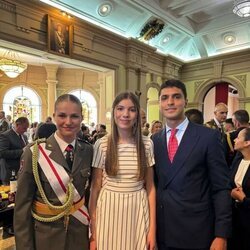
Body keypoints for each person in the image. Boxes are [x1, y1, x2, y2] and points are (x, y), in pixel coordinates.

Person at [152, 79, 231, 250]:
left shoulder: (208, 137)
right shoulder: (154, 141)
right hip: (163, 231)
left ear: (186, 101)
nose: (170, 102)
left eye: (176, 97)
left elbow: (221, 188)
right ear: (159, 103)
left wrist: (221, 234)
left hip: (197, 232)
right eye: (164, 98)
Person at [14, 94, 93, 250]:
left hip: (79, 236)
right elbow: (22, 207)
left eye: (74, 116)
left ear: (82, 118)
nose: (68, 122)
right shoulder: (34, 152)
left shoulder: (88, 150)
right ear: (54, 116)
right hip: (45, 238)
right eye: (62, 116)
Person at [89, 91, 156, 250]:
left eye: (132, 110)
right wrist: (94, 233)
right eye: (120, 109)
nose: (125, 114)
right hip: (108, 211)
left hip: (137, 211)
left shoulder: (147, 144)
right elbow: (95, 189)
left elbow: (151, 189)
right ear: (113, 112)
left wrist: (152, 229)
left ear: (137, 114)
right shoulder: (102, 144)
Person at [228, 128, 250, 250]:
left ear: (247, 142)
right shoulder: (238, 159)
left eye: (239, 137)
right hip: (235, 220)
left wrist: (243, 199)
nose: (235, 139)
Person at [0, 116, 29, 183]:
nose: (26, 130)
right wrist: (22, 151)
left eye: (27, 128)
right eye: (24, 128)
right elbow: (2, 153)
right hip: (9, 171)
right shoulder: (5, 136)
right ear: (17, 125)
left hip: (22, 170)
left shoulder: (24, 136)